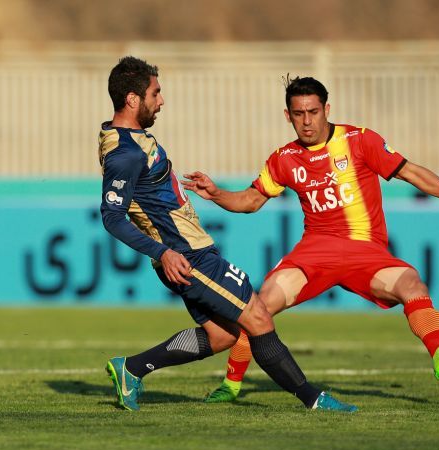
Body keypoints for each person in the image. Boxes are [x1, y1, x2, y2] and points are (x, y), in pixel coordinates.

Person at [181, 76, 439, 403]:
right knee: (257, 308)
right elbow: (250, 201)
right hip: (315, 254)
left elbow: (411, 172)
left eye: (313, 112)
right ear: (288, 116)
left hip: (366, 253)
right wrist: (217, 194)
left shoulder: (360, 140)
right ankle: (231, 384)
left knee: (412, 284)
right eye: (298, 114)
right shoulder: (284, 158)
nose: (307, 121)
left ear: (327, 109)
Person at [99, 57, 356, 412]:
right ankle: (313, 399)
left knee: (223, 335)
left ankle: (132, 369)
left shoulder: (132, 140)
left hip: (188, 251)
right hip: (186, 256)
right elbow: (112, 217)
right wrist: (163, 253)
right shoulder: (125, 153)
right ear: (132, 99)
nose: (161, 101)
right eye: (155, 93)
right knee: (258, 317)